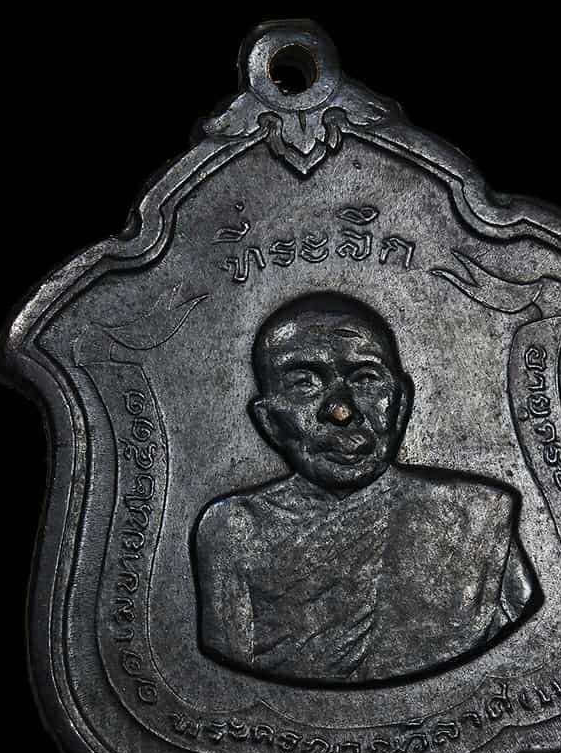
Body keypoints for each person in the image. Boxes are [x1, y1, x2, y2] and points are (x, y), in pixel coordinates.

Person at [194, 292, 540, 682]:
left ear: (401, 405)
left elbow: (530, 651)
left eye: (365, 379)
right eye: (304, 383)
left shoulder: (474, 517)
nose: (341, 410)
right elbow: (223, 686)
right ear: (269, 421)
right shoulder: (235, 529)